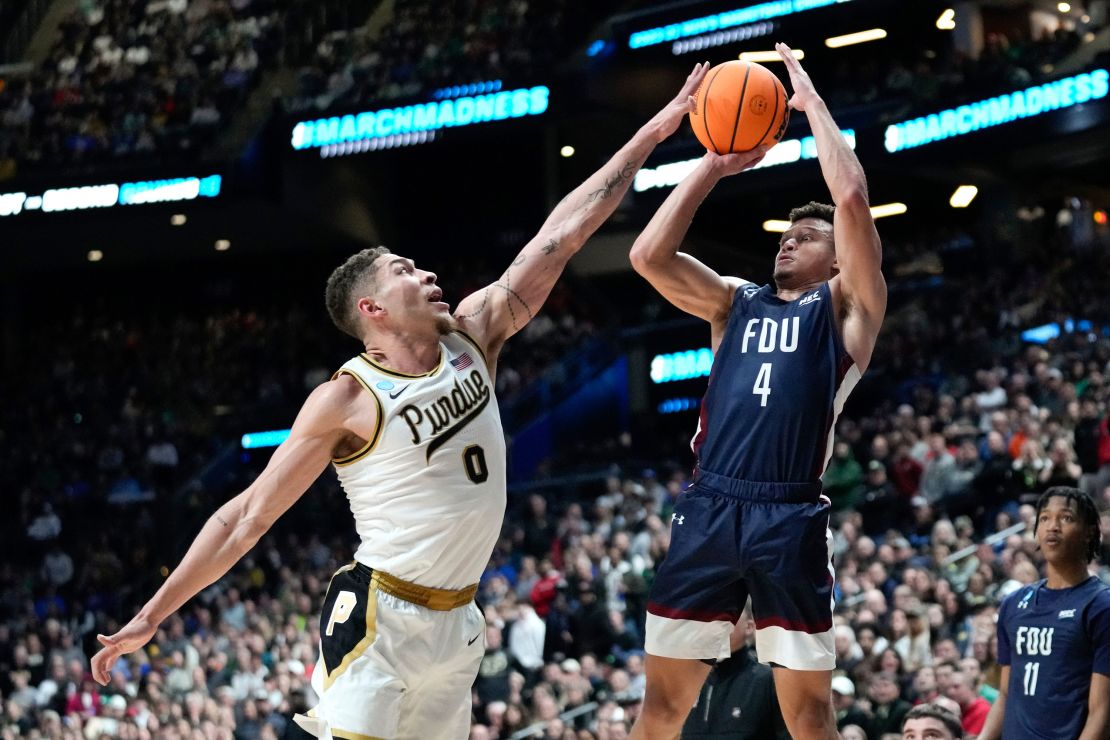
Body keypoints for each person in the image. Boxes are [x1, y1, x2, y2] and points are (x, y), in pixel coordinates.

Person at [87, 63, 715, 740]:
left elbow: (560, 237)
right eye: (405, 272)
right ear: (373, 308)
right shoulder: (348, 399)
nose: (428, 274)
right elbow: (244, 520)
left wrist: (653, 131)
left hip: (459, 623)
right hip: (380, 617)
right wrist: (155, 612)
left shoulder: (476, 333)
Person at [627, 42, 886, 740]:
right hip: (711, 501)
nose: (788, 243)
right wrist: (710, 164)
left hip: (788, 516)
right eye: (785, 234)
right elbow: (647, 256)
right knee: (660, 707)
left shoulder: (847, 310)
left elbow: (853, 197)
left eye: (807, 237)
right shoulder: (732, 302)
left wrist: (811, 103)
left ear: (837, 257)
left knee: (808, 712)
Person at [979, 486, 1110, 740]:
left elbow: (1103, 712)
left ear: (1090, 531)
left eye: (1066, 518)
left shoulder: (1101, 606)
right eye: (1045, 518)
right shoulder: (1013, 603)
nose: (1053, 526)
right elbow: (1006, 695)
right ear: (1036, 531)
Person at [680, 603, 790, 739]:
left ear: (749, 627)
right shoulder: (686, 682)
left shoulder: (769, 680)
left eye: (727, 612)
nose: (716, 621)